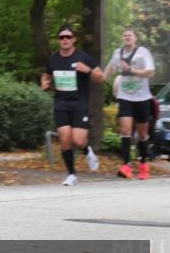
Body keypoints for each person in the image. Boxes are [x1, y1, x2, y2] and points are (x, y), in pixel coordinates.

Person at [41, 24, 104, 186]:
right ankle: (71, 174)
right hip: (61, 103)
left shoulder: (83, 57)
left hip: (79, 104)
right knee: (65, 140)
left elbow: (100, 77)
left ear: (74, 40)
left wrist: (88, 71)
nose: (65, 40)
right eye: (62, 37)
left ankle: (87, 150)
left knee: (79, 140)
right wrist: (45, 84)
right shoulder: (53, 59)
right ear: (58, 41)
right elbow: (46, 76)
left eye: (68, 37)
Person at [103, 28, 156, 180]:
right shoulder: (117, 53)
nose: (127, 37)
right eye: (125, 35)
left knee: (142, 134)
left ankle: (144, 164)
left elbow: (150, 72)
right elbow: (110, 67)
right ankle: (126, 166)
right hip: (125, 96)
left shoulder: (143, 52)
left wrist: (132, 70)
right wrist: (103, 77)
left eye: (130, 35)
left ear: (135, 38)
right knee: (125, 132)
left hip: (142, 98)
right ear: (122, 38)